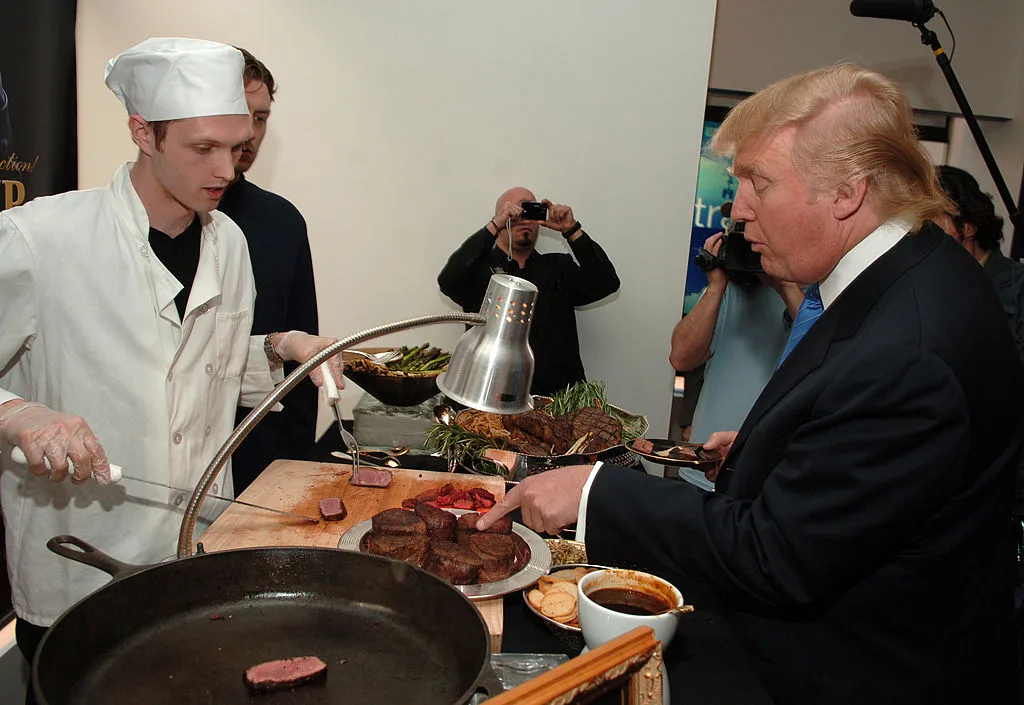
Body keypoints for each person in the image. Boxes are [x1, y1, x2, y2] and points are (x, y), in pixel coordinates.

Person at [479, 64, 1024, 703]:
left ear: (848, 192)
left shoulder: (912, 349)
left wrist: (596, 490)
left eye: (758, 183)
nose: (737, 210)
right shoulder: (913, 269)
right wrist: (780, 449)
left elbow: (780, 556)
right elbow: (865, 454)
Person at [0, 38, 343, 692]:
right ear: (143, 133)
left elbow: (196, 369)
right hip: (83, 569)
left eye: (238, 147)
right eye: (203, 148)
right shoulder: (41, 240)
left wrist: (277, 347)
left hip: (194, 566)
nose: (228, 170)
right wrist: (17, 411)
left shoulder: (230, 244)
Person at [217, 48, 320, 493]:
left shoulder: (281, 221)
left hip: (259, 452)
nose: (250, 133)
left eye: (261, 118)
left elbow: (304, 352)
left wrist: (292, 469)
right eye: (242, 114)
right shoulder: (153, 223)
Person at [438, 187, 619, 396]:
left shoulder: (559, 267)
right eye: (515, 213)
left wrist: (571, 229)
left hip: (557, 400)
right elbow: (447, 281)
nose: (523, 219)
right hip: (488, 394)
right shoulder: (478, 270)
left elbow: (607, 282)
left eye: (531, 212)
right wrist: (494, 225)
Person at [669, 232, 802, 488]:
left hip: (769, 474)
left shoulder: (811, 291)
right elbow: (681, 357)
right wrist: (717, 284)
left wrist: (784, 284)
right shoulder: (727, 292)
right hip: (705, 468)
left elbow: (820, 345)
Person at [934, 165, 1024, 357]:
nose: (921, 230)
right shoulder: (926, 282)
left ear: (968, 228)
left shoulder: (1018, 288)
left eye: (932, 218)